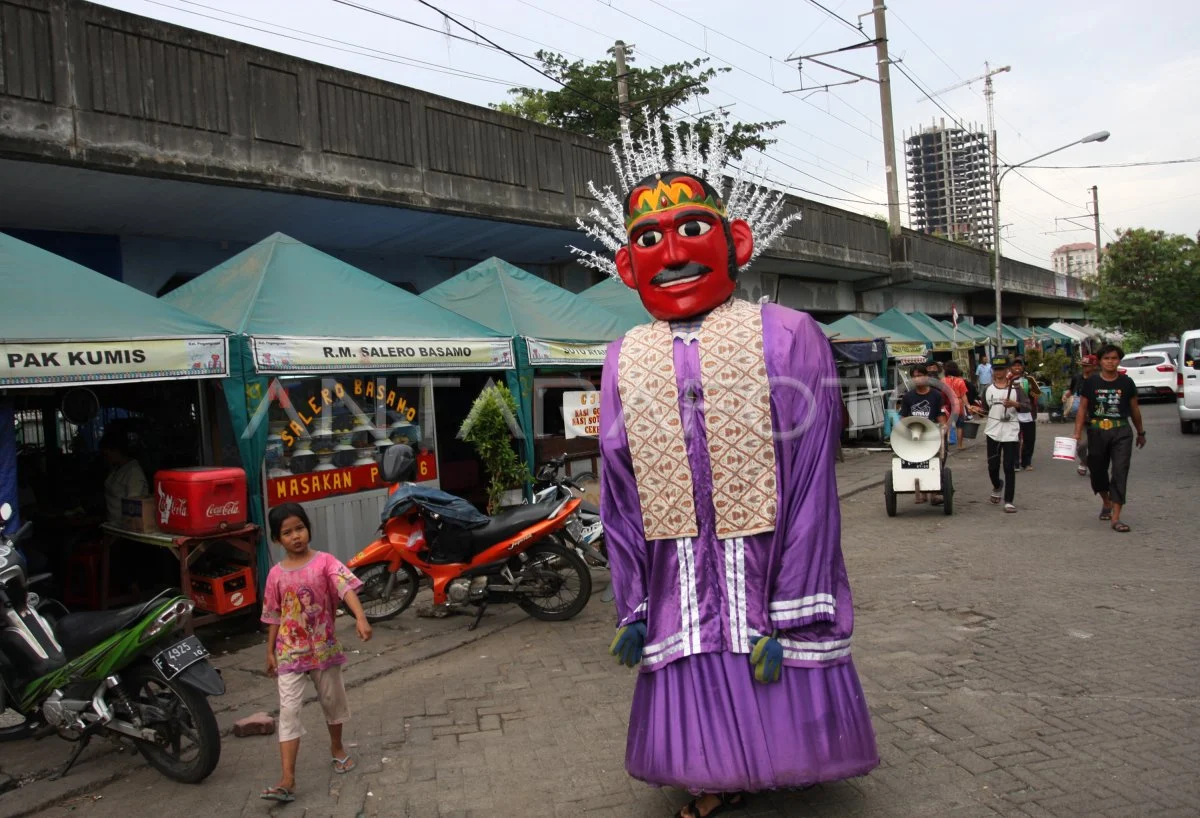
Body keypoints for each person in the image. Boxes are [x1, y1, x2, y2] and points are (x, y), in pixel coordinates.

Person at [580, 120, 878, 817]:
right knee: (693, 643)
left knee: (767, 641)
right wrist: (633, 590)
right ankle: (712, 772)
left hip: (768, 556)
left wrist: (800, 578)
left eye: (692, 228)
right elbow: (618, 481)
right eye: (649, 239)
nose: (673, 251)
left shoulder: (788, 334)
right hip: (677, 563)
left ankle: (787, 758)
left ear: (736, 241)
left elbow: (811, 476)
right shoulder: (627, 353)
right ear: (628, 268)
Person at [260, 503, 373, 804]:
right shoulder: (275, 575)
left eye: (299, 528)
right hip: (289, 654)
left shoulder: (325, 562)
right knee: (288, 712)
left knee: (332, 702)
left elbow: (345, 589)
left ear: (308, 528)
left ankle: (337, 748)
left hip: (324, 649)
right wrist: (269, 652)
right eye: (287, 532)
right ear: (276, 539)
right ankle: (287, 779)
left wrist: (360, 617)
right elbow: (273, 615)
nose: (295, 536)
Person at [1073, 345, 1146, 533]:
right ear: (1100, 361)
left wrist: (1140, 432)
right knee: (1097, 470)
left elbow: (1135, 409)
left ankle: (1116, 518)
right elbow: (1082, 408)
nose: (1110, 362)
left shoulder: (1127, 383)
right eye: (1106, 358)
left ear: (1119, 360)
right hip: (1097, 431)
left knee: (1120, 471)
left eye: (1114, 358)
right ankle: (1107, 501)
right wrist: (1077, 433)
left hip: (1121, 431)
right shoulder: (1091, 383)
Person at [971, 355, 1029, 513]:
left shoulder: (1016, 388)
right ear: (993, 371)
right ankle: (997, 485)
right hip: (993, 432)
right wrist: (976, 410)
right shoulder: (988, 389)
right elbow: (984, 409)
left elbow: (1027, 406)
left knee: (1009, 466)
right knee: (993, 466)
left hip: (1011, 432)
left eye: (1002, 369)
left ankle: (1009, 501)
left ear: (1007, 370)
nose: (999, 372)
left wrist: (1014, 404)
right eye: (996, 369)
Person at [98, 427, 149, 525]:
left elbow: (133, 507)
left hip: (123, 528)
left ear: (116, 451)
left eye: (106, 454)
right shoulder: (115, 469)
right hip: (112, 525)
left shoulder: (133, 472)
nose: (105, 458)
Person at [1063, 355, 1098, 476]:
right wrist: (1066, 396)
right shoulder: (1077, 378)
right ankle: (1085, 462)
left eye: (1087, 365)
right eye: (1083, 365)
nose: (1084, 368)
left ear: (1094, 366)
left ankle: (1095, 466)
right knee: (1081, 445)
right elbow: (1071, 391)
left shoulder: (1099, 379)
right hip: (1081, 417)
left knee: (1096, 445)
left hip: (1097, 417)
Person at [1010, 358, 1041, 470]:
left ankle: (1026, 462)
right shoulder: (1007, 380)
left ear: (1023, 367)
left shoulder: (1029, 379)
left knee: (1029, 439)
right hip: (1013, 413)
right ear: (1010, 368)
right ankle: (1015, 462)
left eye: (1019, 365)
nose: (1017, 368)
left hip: (1028, 413)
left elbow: (1037, 394)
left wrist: (1029, 389)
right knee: (1014, 439)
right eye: (1014, 366)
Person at [942, 361, 971, 450]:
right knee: (959, 425)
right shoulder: (960, 381)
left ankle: (946, 444)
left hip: (947, 403)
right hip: (958, 402)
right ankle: (960, 445)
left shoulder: (943, 380)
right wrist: (968, 405)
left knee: (947, 424)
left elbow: (941, 394)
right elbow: (963, 395)